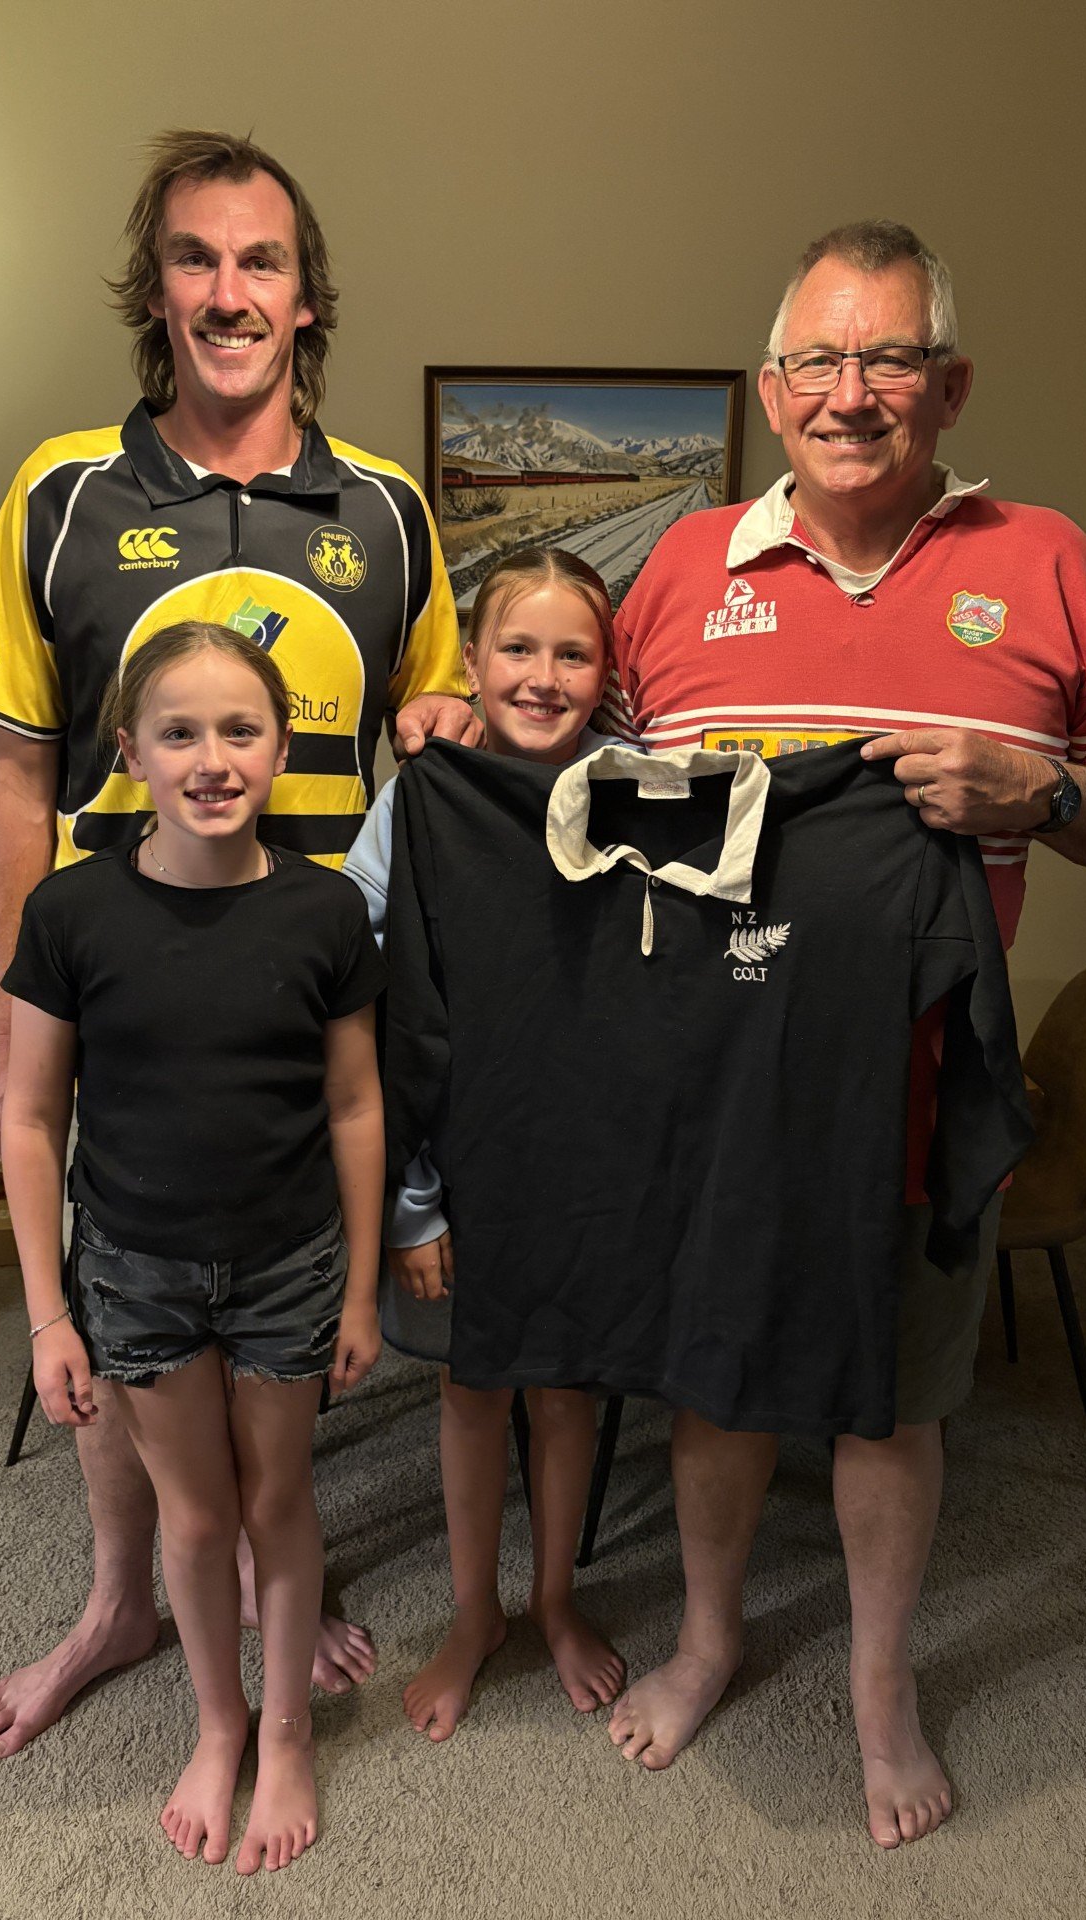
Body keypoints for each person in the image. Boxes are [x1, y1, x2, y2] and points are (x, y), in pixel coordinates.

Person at [596, 221, 1086, 1845]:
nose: (853, 394)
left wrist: (1045, 790)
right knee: (712, 1388)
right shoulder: (680, 566)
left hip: (925, 1091)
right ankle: (712, 1637)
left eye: (890, 358)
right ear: (772, 391)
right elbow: (594, 806)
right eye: (820, 363)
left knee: (893, 1404)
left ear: (948, 383)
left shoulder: (1047, 557)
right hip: (720, 1088)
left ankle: (879, 1681)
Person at [0, 128, 477, 1762]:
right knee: (128, 1291)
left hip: (317, 988)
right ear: (155, 291)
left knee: (291, 1283)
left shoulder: (389, 511)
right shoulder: (62, 493)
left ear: (308, 302)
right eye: (196, 257)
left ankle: (264, 1562)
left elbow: (438, 762)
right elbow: (16, 767)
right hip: (115, 986)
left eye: (262, 261)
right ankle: (127, 1598)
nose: (230, 290)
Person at [3, 620, 386, 1871]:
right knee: (195, 1513)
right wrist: (48, 1316)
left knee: (278, 1501)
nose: (212, 758)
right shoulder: (71, 910)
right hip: (137, 1271)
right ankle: (216, 1725)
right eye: (180, 732)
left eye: (241, 730)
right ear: (130, 751)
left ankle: (283, 1735)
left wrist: (364, 1288)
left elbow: (354, 1107)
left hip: (289, 1268)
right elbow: (30, 1114)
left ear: (282, 748)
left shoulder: (328, 912)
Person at [345, 549, 628, 1740]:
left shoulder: (639, 793)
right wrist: (412, 1206)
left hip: (587, 1163)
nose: (544, 675)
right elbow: (376, 993)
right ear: (471, 664)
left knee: (565, 1395)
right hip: (457, 1162)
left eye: (574, 652)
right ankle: (476, 1612)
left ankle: (555, 1597)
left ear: (609, 675)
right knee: (472, 1393)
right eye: (520, 648)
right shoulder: (425, 795)